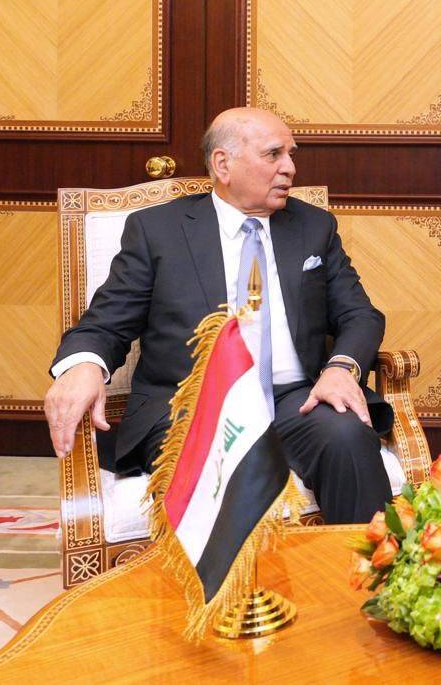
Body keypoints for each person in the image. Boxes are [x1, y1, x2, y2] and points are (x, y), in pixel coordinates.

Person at [44, 108, 391, 523]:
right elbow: (106, 321)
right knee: (218, 466)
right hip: (191, 405)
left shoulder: (313, 226)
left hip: (293, 400)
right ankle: (235, 570)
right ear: (223, 164)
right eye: (274, 154)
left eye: (291, 154)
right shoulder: (158, 231)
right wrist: (83, 365)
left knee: (347, 436)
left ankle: (360, 564)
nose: (290, 168)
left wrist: (341, 368)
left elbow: (360, 315)